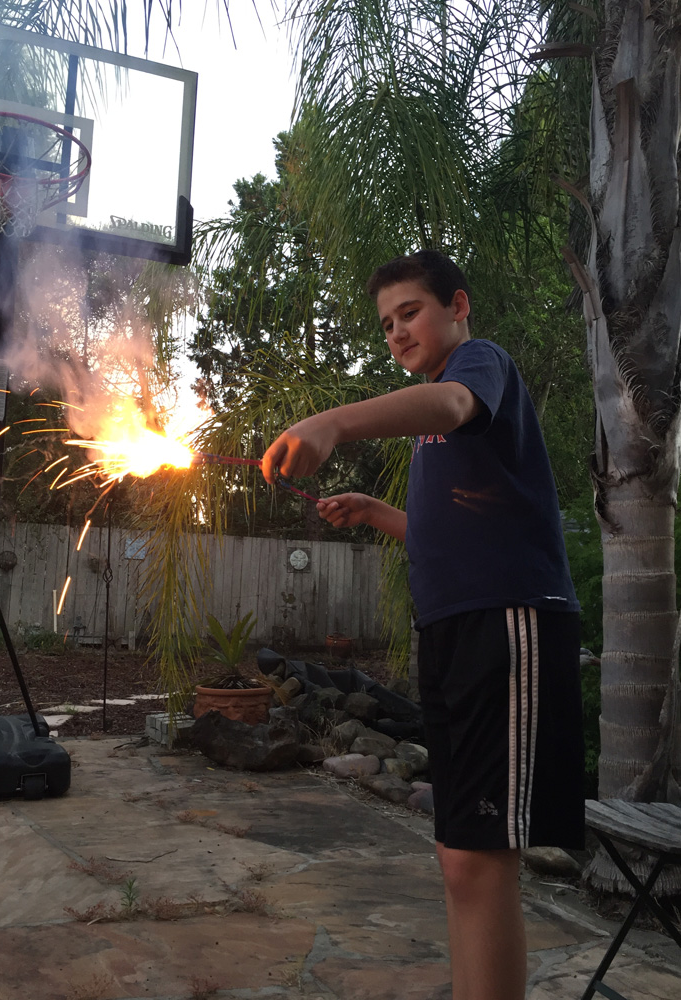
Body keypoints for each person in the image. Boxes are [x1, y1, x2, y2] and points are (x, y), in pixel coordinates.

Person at [261, 249, 584, 1000]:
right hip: (453, 629)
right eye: (386, 325)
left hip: (506, 624)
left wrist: (333, 423)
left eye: (409, 313)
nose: (397, 332)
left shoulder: (478, 365)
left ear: (457, 305)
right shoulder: (431, 425)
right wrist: (377, 512)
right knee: (460, 857)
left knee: (481, 858)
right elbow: (450, 536)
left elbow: (451, 407)